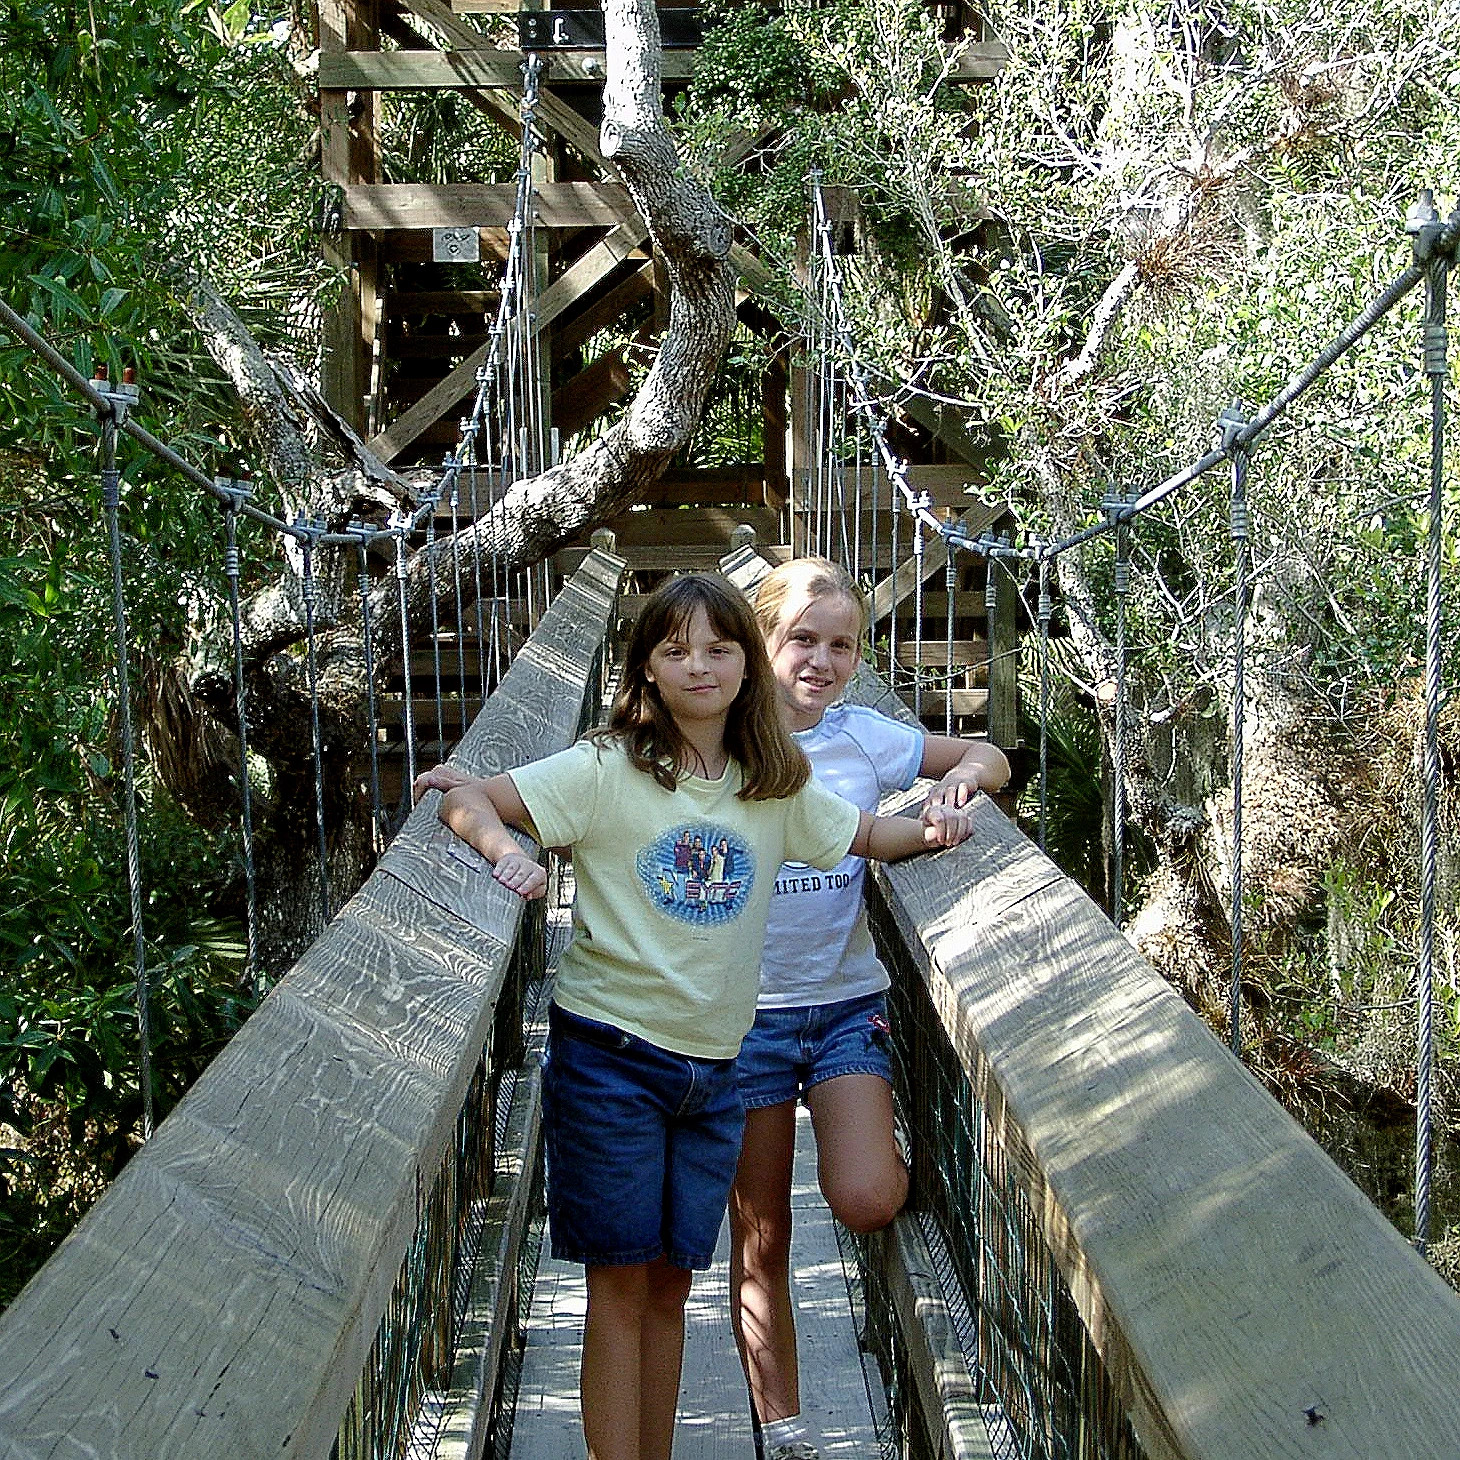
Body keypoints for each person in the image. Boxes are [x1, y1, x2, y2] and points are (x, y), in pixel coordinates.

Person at [416, 573, 975, 1460]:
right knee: (618, 1286)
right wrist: (504, 852)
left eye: (719, 648)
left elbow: (869, 836)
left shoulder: (770, 783)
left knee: (673, 1284)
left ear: (748, 665)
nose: (699, 667)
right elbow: (468, 798)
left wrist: (942, 822)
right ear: (644, 666)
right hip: (611, 1056)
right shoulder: (606, 768)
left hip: (714, 1066)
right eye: (674, 649)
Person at [730, 557, 1011, 1460]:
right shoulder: (710, 744)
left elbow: (990, 753)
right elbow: (594, 782)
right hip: (741, 1022)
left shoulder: (862, 737)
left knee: (863, 1198)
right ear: (758, 643)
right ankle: (786, 1433)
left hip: (847, 1004)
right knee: (762, 1230)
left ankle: (894, 1133)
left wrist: (962, 783)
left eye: (841, 644)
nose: (822, 660)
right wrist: (487, 802)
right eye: (801, 639)